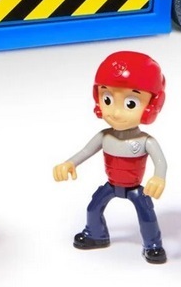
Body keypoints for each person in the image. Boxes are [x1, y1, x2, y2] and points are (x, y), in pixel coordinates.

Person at [53, 51, 168, 264]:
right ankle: (96, 234)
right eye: (108, 99)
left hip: (135, 188)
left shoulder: (146, 141)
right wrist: (69, 163)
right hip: (111, 185)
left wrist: (158, 177)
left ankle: (153, 245)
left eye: (130, 103)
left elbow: (160, 162)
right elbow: (86, 151)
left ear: (151, 105)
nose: (115, 113)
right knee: (93, 208)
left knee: (146, 214)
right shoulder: (104, 136)